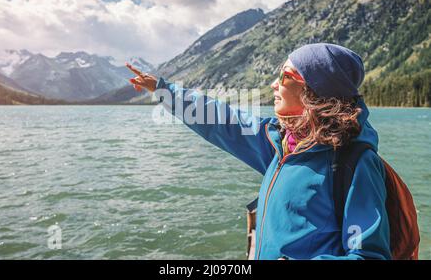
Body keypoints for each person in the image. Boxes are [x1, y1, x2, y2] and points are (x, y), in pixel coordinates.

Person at [126, 43, 391, 260]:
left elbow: (368, 256)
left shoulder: (355, 162)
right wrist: (164, 90)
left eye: (285, 76)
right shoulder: (279, 142)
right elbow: (221, 120)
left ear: (313, 91)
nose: (274, 85)